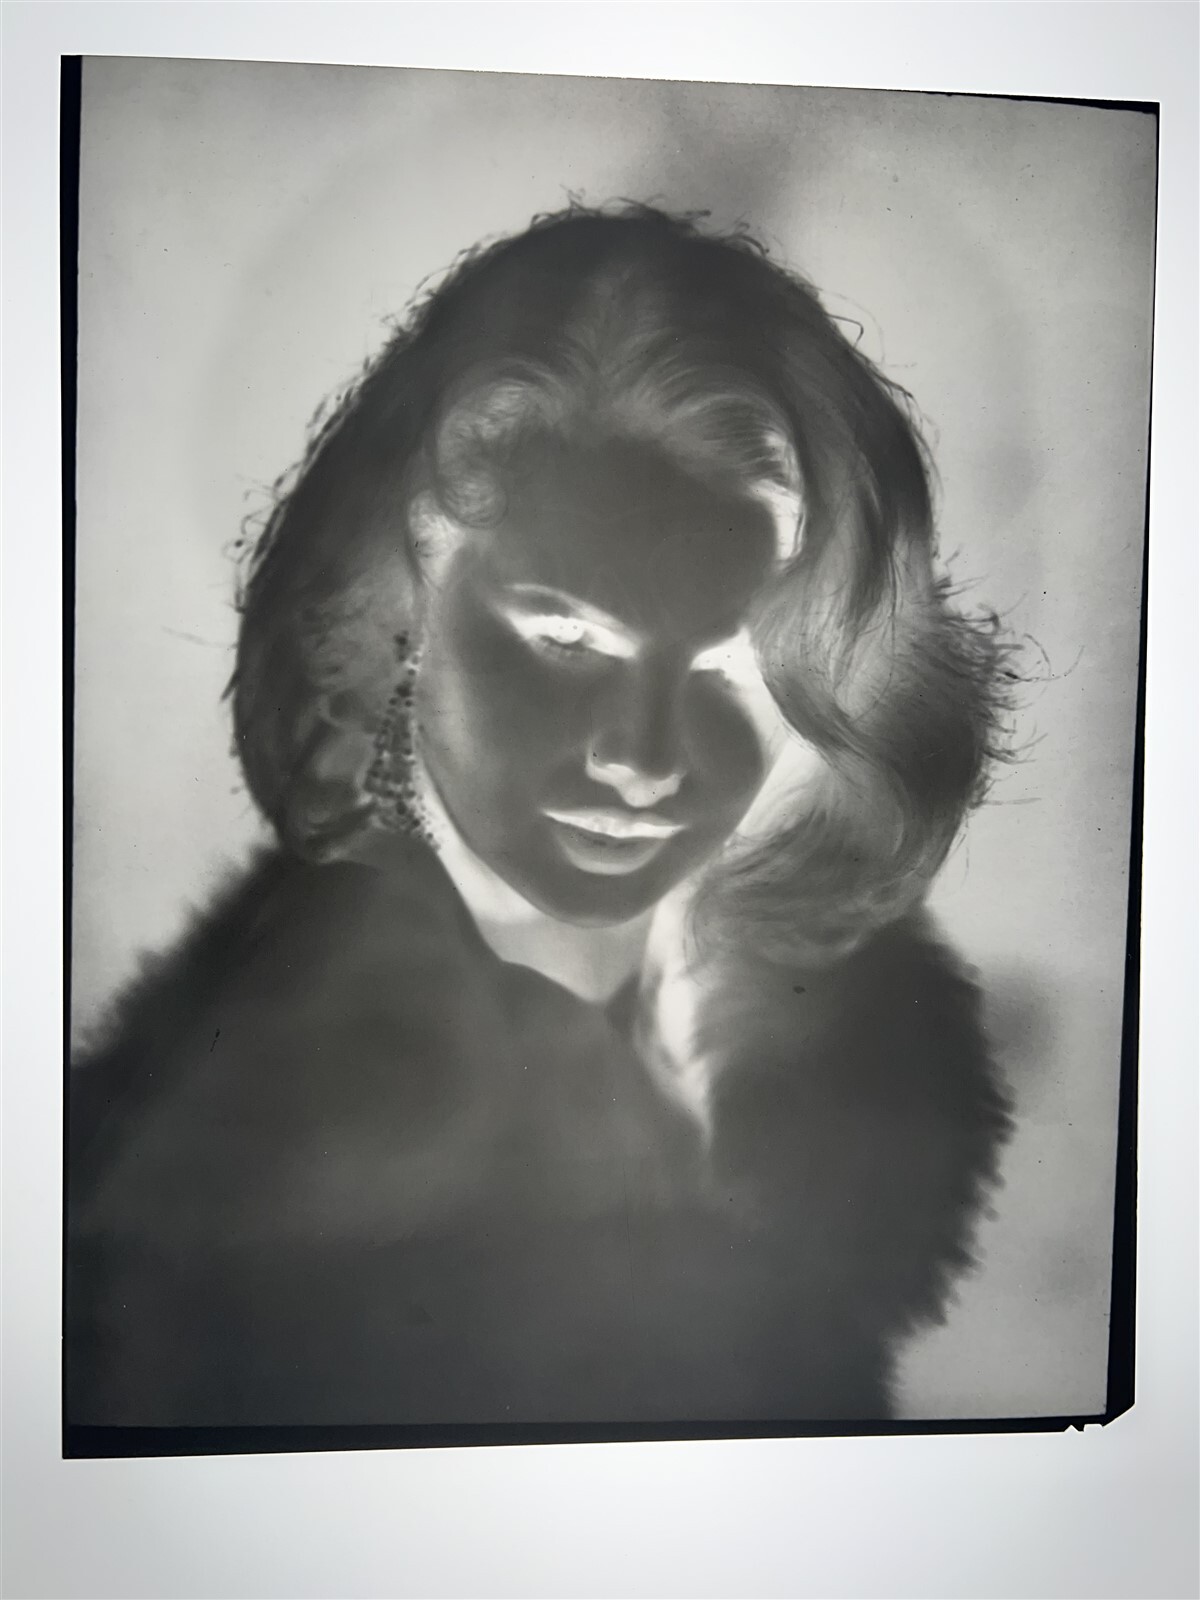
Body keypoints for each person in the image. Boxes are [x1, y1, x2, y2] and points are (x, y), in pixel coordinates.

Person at [66, 204, 1014, 1433]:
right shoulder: (279, 1136)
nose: (644, 756)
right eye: (566, 637)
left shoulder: (796, 1041)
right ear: (404, 609)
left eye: (732, 671)